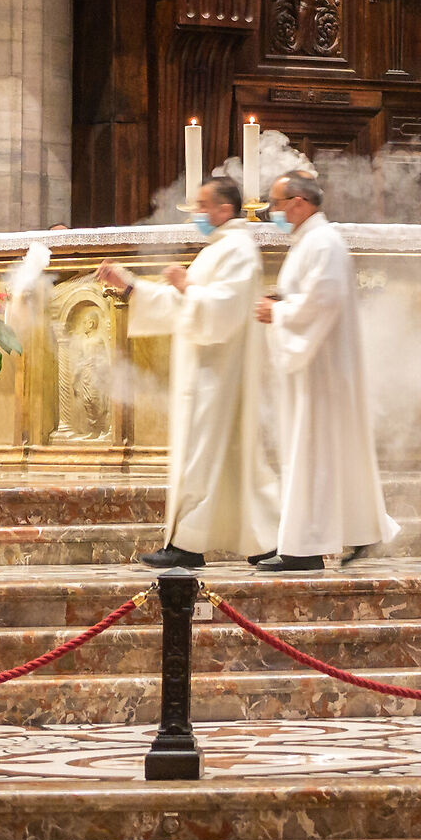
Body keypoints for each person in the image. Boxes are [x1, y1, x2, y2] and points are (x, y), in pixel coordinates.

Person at [100, 177, 279, 570]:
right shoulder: (220, 248)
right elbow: (184, 301)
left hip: (219, 374)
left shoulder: (238, 250)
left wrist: (186, 286)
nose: (197, 213)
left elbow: (224, 311)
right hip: (207, 372)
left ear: (224, 210)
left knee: (206, 455)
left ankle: (190, 545)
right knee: (226, 460)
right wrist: (130, 286)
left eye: (203, 205)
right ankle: (261, 541)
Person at [251, 171, 398, 572]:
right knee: (316, 453)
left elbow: (324, 300)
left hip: (322, 370)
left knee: (314, 453)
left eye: (277, 203)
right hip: (312, 366)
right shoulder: (309, 241)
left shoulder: (323, 241)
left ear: (299, 202)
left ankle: (306, 548)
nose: (272, 212)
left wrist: (277, 311)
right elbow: (309, 295)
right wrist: (281, 302)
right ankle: (329, 535)